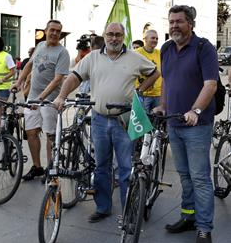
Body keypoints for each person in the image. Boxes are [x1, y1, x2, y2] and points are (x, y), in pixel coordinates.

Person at [54, 22, 159, 223]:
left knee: (125, 168)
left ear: (124, 37)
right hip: (99, 119)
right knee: (101, 166)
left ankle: (129, 210)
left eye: (118, 35)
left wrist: (140, 89)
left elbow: (155, 72)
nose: (114, 38)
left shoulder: (135, 58)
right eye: (110, 34)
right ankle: (103, 207)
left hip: (123, 119)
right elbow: (74, 77)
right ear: (104, 35)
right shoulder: (93, 57)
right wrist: (61, 96)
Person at [156, 5, 218, 243]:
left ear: (190, 23)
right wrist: (162, 106)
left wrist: (195, 110)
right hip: (173, 122)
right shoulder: (166, 48)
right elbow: (166, 81)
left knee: (200, 177)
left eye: (179, 22)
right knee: (184, 175)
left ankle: (204, 227)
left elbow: (211, 85)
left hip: (197, 126)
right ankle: (189, 216)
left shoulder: (204, 48)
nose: (174, 26)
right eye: (171, 21)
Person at [11, 20, 70, 181]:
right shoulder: (40, 46)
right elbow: (29, 65)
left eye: (58, 31)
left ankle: (51, 169)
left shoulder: (62, 52)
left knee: (51, 135)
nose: (55, 33)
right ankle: (37, 167)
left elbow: (58, 79)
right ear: (46, 30)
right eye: (52, 30)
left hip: (50, 100)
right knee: (31, 132)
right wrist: (19, 82)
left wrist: (41, 98)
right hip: (33, 98)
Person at [135, 30, 163, 112]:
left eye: (157, 39)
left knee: (158, 121)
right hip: (143, 95)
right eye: (153, 38)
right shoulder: (137, 53)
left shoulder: (160, 53)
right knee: (144, 120)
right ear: (145, 39)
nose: (155, 40)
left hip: (158, 94)